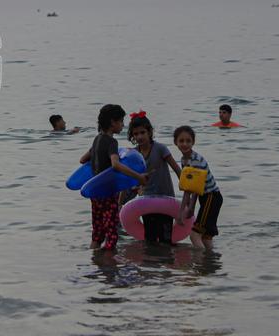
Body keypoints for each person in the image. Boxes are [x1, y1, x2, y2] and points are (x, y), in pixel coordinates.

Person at [78, 105, 148, 251]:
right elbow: (116, 165)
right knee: (111, 233)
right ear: (112, 122)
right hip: (108, 194)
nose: (123, 125)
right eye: (121, 121)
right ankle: (109, 266)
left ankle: (95, 257)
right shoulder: (111, 142)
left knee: (97, 232)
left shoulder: (97, 139)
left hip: (95, 194)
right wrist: (138, 177)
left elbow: (83, 160)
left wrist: (98, 161)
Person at [128, 112, 181, 244]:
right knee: (150, 237)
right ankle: (150, 263)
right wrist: (121, 201)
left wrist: (188, 191)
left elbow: (177, 169)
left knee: (166, 238)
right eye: (136, 134)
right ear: (132, 136)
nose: (139, 136)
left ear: (150, 132)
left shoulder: (160, 149)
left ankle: (166, 260)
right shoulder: (134, 154)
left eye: (142, 132)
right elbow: (129, 178)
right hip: (146, 200)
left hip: (166, 198)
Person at [175, 126, 223, 250]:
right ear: (176, 142)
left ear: (193, 142)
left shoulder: (195, 160)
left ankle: (199, 264)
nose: (185, 144)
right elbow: (191, 186)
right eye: (181, 141)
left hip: (211, 197)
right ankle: (209, 263)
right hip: (206, 197)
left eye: (188, 141)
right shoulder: (184, 160)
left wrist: (184, 211)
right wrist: (190, 207)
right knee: (206, 236)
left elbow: (191, 189)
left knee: (194, 235)